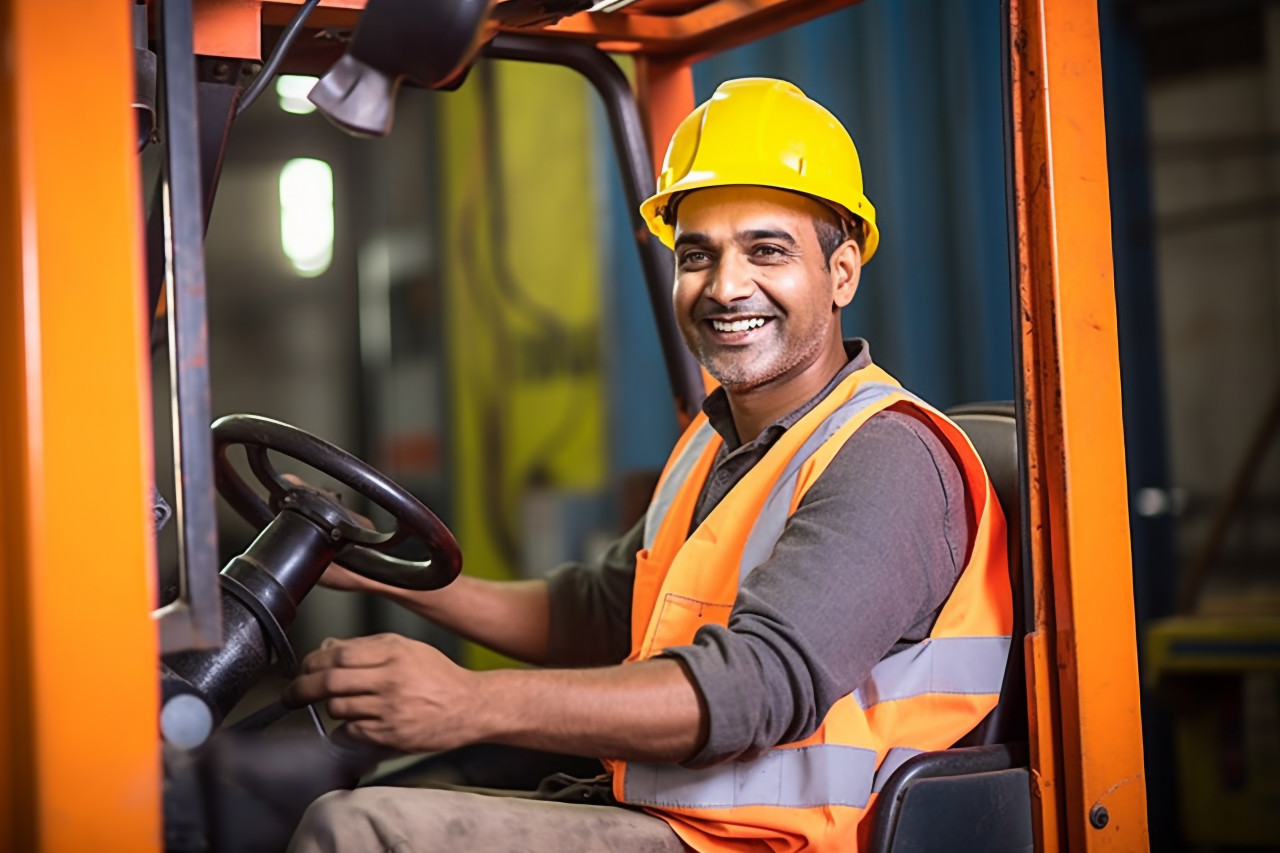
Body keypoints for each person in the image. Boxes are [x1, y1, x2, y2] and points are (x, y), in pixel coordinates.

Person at [285, 77, 1013, 853]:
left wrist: (469, 699)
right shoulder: (717, 439)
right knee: (385, 779)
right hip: (670, 814)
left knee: (355, 830)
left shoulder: (888, 457)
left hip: (770, 843)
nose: (726, 286)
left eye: (767, 249)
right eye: (697, 255)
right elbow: (598, 615)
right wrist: (374, 566)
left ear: (841, 275)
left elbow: (753, 688)